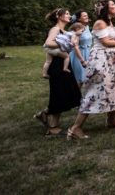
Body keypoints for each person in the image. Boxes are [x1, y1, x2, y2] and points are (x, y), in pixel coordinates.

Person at [67, 0, 115, 140]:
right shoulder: (99, 23)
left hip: (111, 59)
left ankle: (111, 120)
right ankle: (75, 128)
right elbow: (106, 43)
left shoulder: (109, 23)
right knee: (95, 91)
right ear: (106, 9)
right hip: (100, 60)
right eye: (113, 5)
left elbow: (110, 40)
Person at [34, 8, 82, 136]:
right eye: (66, 13)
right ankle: (52, 127)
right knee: (59, 93)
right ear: (58, 16)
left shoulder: (63, 31)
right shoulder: (55, 29)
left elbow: (72, 38)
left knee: (66, 92)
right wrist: (64, 43)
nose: (69, 15)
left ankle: (44, 113)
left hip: (63, 63)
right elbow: (48, 43)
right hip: (57, 65)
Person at [69, 10, 93, 84]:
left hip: (88, 53)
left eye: (87, 15)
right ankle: (76, 95)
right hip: (79, 55)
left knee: (85, 78)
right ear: (79, 19)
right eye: (84, 16)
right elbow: (75, 46)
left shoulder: (87, 26)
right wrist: (82, 60)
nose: (87, 17)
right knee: (79, 79)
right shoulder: (78, 28)